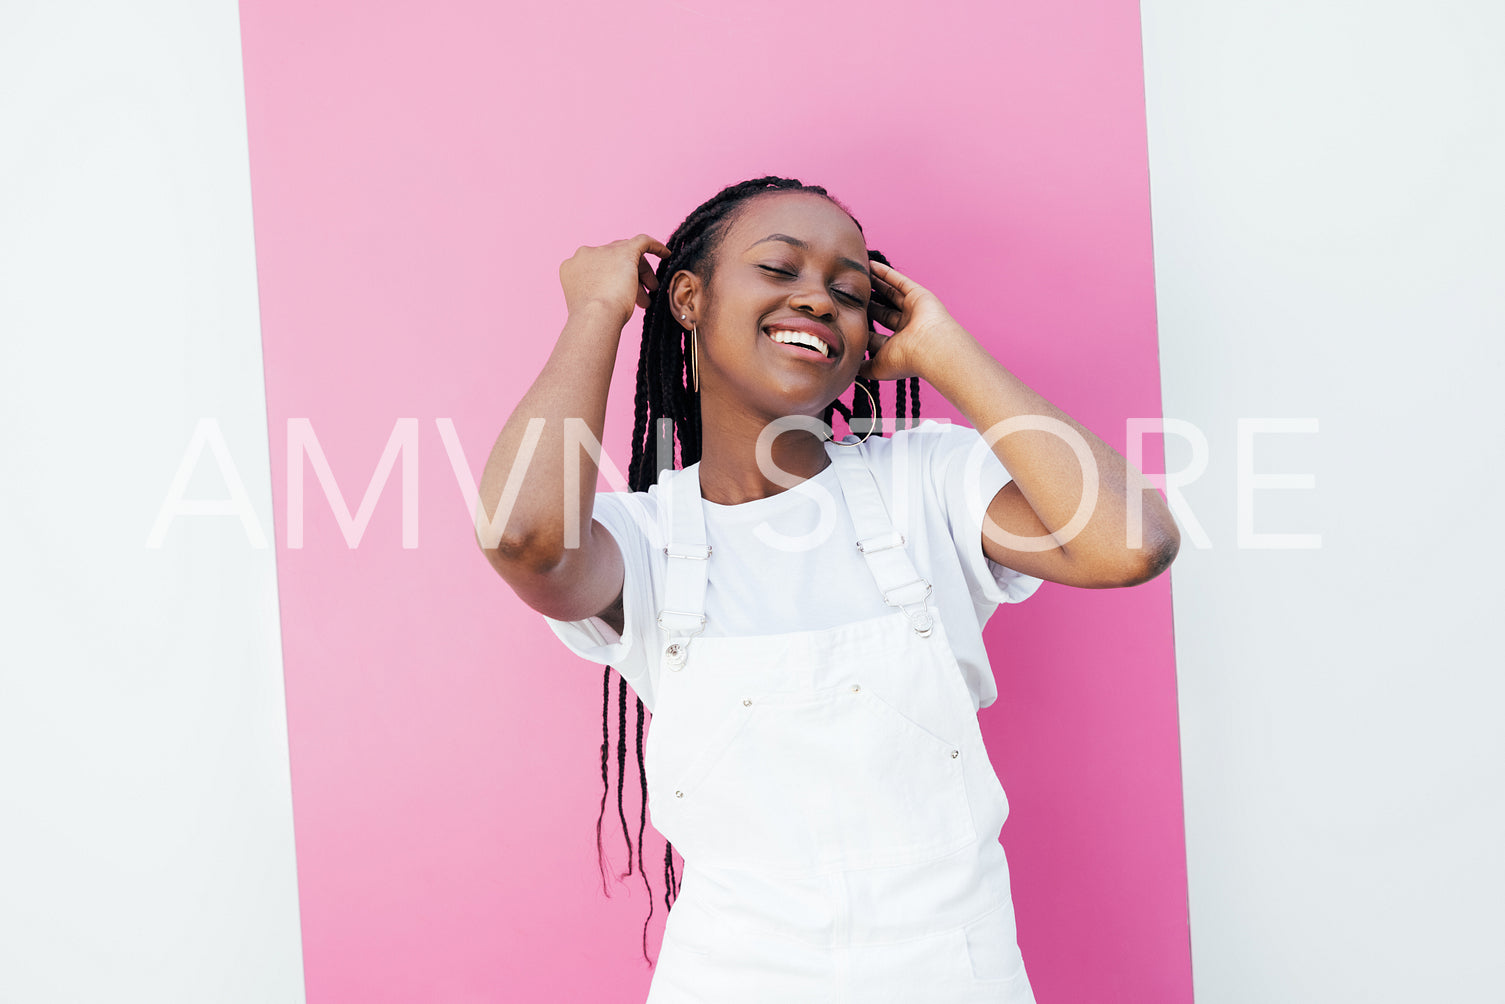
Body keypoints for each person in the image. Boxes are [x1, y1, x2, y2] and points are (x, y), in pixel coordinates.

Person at [476, 176, 1180, 1003]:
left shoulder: (930, 482)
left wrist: (943, 349)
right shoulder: (642, 540)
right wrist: (595, 313)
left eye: (850, 291)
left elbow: (1131, 543)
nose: (817, 298)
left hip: (951, 975)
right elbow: (525, 540)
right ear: (691, 300)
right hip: (732, 980)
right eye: (780, 270)